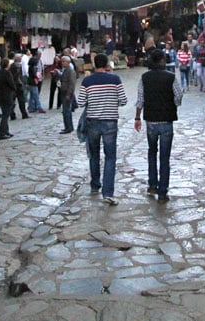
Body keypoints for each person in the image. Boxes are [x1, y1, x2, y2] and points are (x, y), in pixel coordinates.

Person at [75, 53, 127, 205]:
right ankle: (108, 192)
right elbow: (123, 100)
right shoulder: (115, 80)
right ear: (106, 65)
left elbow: (81, 102)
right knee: (110, 156)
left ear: (94, 64)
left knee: (94, 155)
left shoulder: (87, 81)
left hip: (93, 122)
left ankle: (95, 184)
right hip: (110, 121)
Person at [134, 48, 182, 201]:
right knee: (164, 157)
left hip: (151, 121)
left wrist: (137, 117)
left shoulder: (145, 77)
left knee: (152, 152)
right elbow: (178, 96)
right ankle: (163, 191)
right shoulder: (171, 77)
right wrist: (173, 104)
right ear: (162, 61)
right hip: (166, 120)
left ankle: (152, 184)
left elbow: (140, 99)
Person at [0, 58, 17, 139]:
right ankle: (2, 133)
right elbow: (12, 84)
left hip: (1, 96)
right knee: (5, 116)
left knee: (5, 114)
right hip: (7, 95)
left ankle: (6, 131)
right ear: (7, 65)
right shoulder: (7, 73)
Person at [57, 54, 77, 134]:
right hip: (64, 91)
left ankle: (68, 127)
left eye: (63, 61)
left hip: (67, 93)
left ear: (67, 62)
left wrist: (69, 93)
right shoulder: (65, 70)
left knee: (66, 111)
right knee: (66, 111)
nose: (62, 63)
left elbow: (72, 83)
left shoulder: (70, 71)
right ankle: (68, 126)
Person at [27, 49, 44, 113]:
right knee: (36, 95)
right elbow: (34, 74)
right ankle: (39, 107)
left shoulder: (31, 67)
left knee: (32, 95)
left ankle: (31, 108)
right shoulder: (33, 67)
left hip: (31, 81)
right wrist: (37, 78)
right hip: (33, 82)